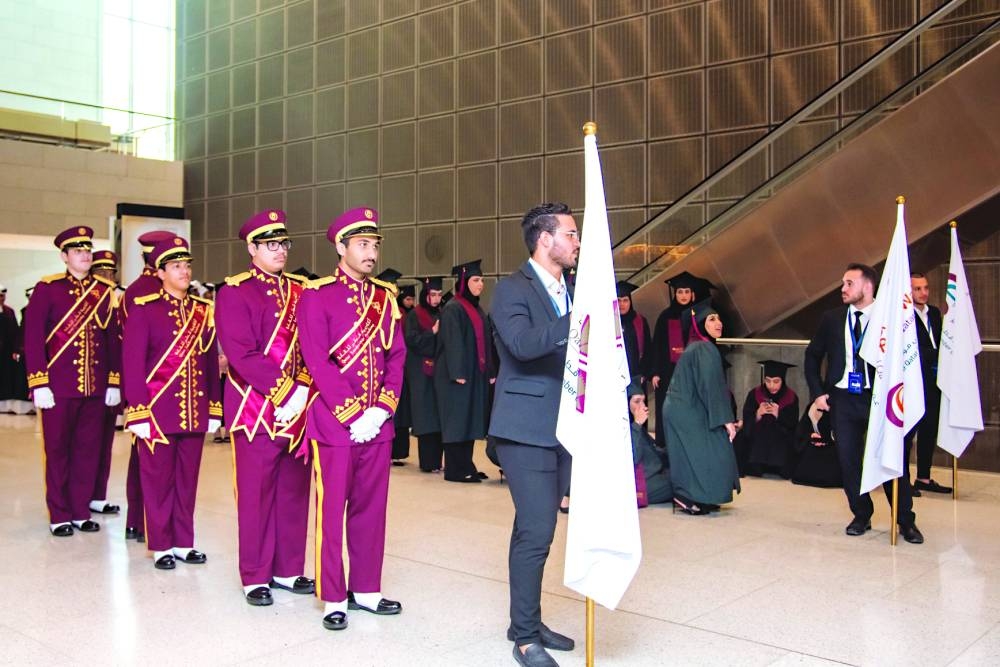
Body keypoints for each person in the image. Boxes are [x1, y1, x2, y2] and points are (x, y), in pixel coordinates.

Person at [297, 207, 405, 632]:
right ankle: (333, 596)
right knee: (332, 512)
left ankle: (367, 589)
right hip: (335, 425)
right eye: (362, 244)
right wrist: (351, 413)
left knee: (371, 509)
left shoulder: (385, 297)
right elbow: (316, 360)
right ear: (340, 247)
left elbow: (396, 356)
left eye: (375, 245)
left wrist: (382, 409)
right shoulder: (316, 294)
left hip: (378, 425)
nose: (371, 253)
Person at [490, 202, 579, 667]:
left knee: (532, 527)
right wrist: (577, 321)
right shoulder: (510, 291)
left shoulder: (570, 288)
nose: (577, 241)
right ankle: (525, 638)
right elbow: (523, 347)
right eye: (570, 233)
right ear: (545, 240)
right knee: (539, 529)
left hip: (562, 426)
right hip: (524, 429)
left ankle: (525, 619)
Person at [215, 209, 315, 607]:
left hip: (298, 410)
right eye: (270, 244)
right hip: (254, 408)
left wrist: (302, 392)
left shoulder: (302, 289)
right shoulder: (234, 291)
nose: (280, 251)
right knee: (255, 495)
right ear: (251, 248)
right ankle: (255, 575)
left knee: (294, 491)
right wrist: (284, 389)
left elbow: (312, 346)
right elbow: (241, 353)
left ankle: (288, 569)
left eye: (284, 243)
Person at [804, 263, 923, 543]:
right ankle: (861, 513)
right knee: (848, 461)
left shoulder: (890, 317)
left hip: (879, 398)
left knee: (893, 458)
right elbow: (812, 356)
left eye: (849, 283)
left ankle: (905, 520)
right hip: (843, 399)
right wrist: (817, 392)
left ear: (867, 286)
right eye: (843, 283)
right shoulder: (832, 318)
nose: (843, 289)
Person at [122, 237, 222, 569]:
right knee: (157, 480)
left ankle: (183, 542)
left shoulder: (202, 310)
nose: (183, 271)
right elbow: (132, 364)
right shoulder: (144, 309)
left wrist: (213, 407)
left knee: (187, 480)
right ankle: (161, 544)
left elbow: (209, 363)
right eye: (176, 266)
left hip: (193, 411)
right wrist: (136, 410)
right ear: (161, 272)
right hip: (156, 413)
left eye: (186, 265)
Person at [23, 226, 121, 536]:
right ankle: (60, 513)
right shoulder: (47, 289)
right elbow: (34, 338)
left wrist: (113, 381)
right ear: (64, 257)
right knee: (58, 451)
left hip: (94, 388)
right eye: (78, 251)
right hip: (58, 388)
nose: (85, 255)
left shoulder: (104, 291)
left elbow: (112, 341)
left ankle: (80, 510)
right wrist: (39, 382)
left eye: (87, 250)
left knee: (87, 450)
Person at [121, 229, 178, 542]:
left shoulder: (174, 290)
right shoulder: (141, 291)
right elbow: (133, 348)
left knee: (150, 463)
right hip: (150, 393)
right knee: (145, 461)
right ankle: (138, 519)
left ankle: (141, 521)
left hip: (171, 397)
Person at [663, 300, 740, 515]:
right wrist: (727, 420)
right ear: (699, 324)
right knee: (706, 453)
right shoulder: (704, 348)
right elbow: (711, 387)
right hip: (685, 411)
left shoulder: (699, 347)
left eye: (719, 319)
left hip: (685, 408)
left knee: (699, 454)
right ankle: (685, 497)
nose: (719, 323)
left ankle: (702, 496)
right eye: (712, 319)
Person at [434, 259, 496, 483]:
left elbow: (486, 342)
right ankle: (455, 470)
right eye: (476, 280)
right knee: (456, 422)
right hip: (456, 376)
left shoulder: (475, 307)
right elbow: (452, 342)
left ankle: (466, 466)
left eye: (482, 280)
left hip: (472, 374)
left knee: (468, 420)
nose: (481, 284)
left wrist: (490, 370)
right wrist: (458, 372)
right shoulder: (453, 308)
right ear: (463, 282)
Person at [649, 271, 713, 448]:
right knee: (666, 408)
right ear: (674, 294)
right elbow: (657, 346)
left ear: (692, 294)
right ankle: (665, 445)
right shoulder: (665, 316)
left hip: (693, 371)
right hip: (668, 371)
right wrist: (655, 372)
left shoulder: (699, 315)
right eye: (680, 292)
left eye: (686, 292)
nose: (683, 296)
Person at [905, 272, 949, 495]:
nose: (923, 293)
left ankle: (923, 476)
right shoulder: (904, 315)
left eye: (925, 288)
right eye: (917, 289)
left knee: (929, 428)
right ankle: (903, 480)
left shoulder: (933, 313)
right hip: (913, 380)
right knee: (908, 431)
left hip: (933, 380)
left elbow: (939, 340)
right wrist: (932, 354)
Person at [88, 250, 123, 516]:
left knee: (103, 442)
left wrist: (116, 381)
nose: (107, 276)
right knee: (79, 444)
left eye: (111, 272)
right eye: (102, 271)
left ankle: (97, 494)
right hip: (86, 381)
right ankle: (78, 498)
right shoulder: (89, 297)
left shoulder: (118, 296)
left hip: (110, 381)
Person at [405, 276, 445, 472]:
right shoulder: (415, 314)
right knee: (426, 416)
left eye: (439, 294)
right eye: (433, 294)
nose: (437, 299)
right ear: (425, 295)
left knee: (438, 416)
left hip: (438, 372)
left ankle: (438, 461)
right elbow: (411, 340)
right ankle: (429, 463)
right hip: (420, 373)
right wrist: (432, 332)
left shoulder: (442, 312)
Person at [735, 360, 799, 478]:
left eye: (776, 381)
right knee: (742, 439)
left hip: (780, 437)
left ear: (782, 380)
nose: (771, 385)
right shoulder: (754, 394)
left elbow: (793, 424)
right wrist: (758, 414)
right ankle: (757, 466)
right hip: (758, 436)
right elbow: (747, 419)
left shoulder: (791, 397)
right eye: (768, 381)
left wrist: (778, 414)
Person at [376, 268, 413, 467]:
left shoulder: (399, 313)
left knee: (399, 414)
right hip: (379, 372)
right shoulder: (379, 310)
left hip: (398, 371)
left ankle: (397, 451)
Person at [628, 382, 673, 506]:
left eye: (643, 401)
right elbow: (633, 458)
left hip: (654, 475)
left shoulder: (637, 426)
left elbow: (654, 451)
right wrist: (637, 424)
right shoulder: (625, 427)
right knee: (682, 479)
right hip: (640, 483)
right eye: (637, 402)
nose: (643, 406)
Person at [789, 398, 843, 488]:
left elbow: (842, 432)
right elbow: (802, 430)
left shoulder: (839, 407)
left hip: (832, 446)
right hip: (813, 444)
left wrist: (826, 440)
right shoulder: (812, 407)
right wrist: (810, 436)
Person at [616, 280, 651, 384]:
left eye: (625, 300)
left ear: (630, 302)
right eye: (618, 300)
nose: (622, 304)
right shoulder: (609, 321)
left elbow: (647, 348)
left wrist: (644, 373)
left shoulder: (640, 321)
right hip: (614, 377)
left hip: (636, 376)